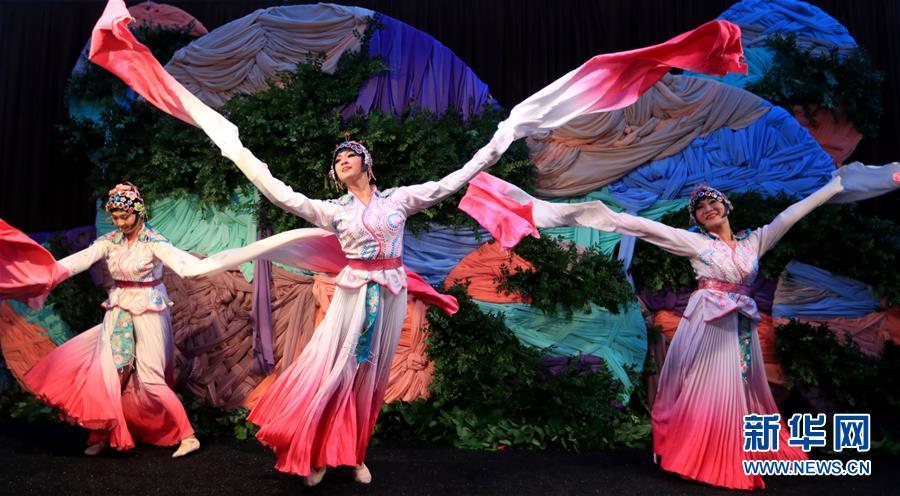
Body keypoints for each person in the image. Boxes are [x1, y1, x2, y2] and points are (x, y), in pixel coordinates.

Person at [235, 135, 501, 485]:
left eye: (350, 155)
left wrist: (490, 152)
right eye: (337, 160)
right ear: (334, 174)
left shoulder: (398, 199)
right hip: (354, 293)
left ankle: (355, 454)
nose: (343, 161)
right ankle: (316, 453)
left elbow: (447, 185)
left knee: (370, 378)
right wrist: (254, 168)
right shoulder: (334, 209)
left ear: (366, 163)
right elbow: (285, 197)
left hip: (391, 292)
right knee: (335, 370)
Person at [22, 183, 206, 458]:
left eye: (125, 216)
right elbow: (81, 259)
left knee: (150, 378)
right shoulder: (110, 241)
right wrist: (47, 274)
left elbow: (182, 263)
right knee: (108, 373)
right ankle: (102, 433)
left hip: (149, 308)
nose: (120, 223)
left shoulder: (154, 242)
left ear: (139, 212)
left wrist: (205, 266)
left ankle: (188, 436)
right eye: (116, 217)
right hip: (118, 309)